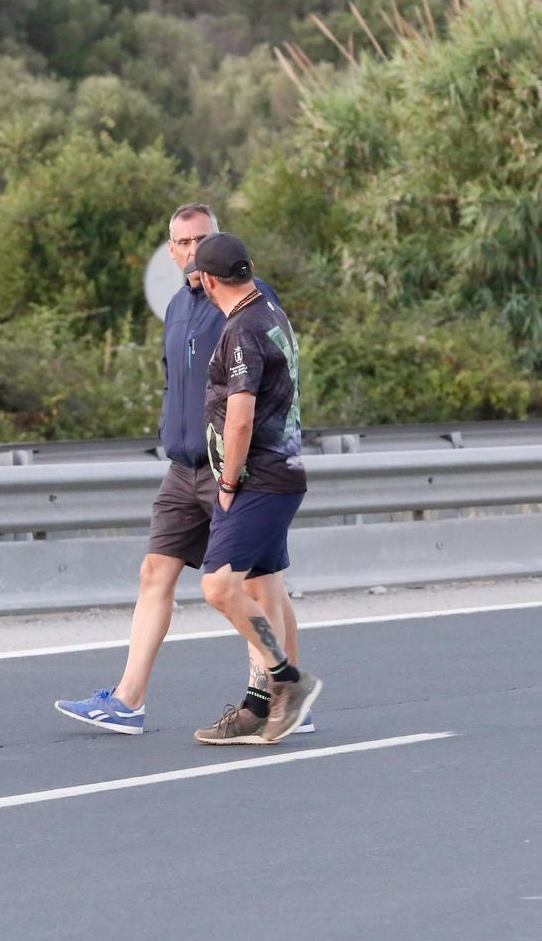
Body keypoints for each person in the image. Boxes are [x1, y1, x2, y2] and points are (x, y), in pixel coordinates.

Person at [54, 204, 306, 737]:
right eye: (183, 242)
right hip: (183, 466)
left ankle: (284, 701)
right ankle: (127, 701)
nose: (193, 250)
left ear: (219, 249)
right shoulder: (177, 307)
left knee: (259, 586)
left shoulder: (246, 305)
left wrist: (234, 475)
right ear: (170, 250)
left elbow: (251, 399)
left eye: (202, 240)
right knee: (155, 573)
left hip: (237, 471)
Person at [189, 231, 320, 745]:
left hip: (258, 477)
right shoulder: (269, 310)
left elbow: (240, 415)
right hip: (279, 474)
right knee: (263, 587)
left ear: (208, 279)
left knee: (219, 585)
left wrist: (227, 481)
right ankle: (259, 706)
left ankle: (289, 681)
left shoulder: (241, 329)